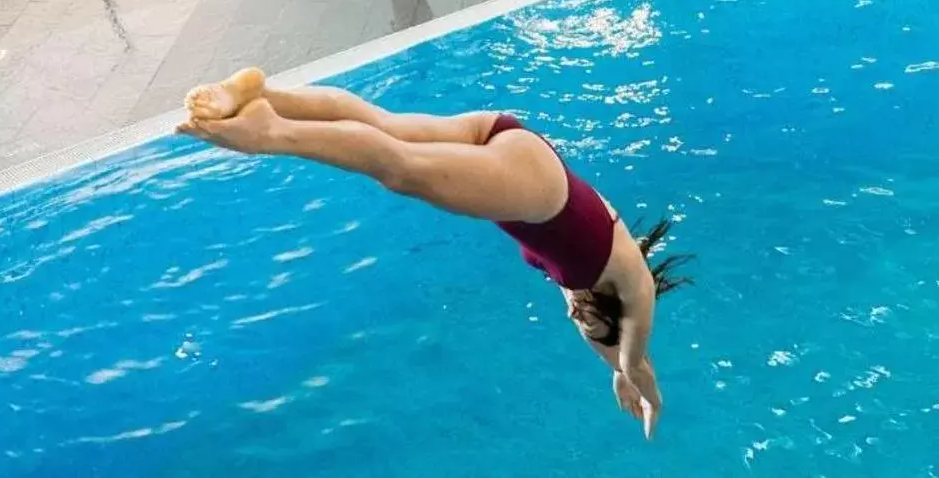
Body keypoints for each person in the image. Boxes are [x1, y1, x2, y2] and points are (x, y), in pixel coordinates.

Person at [177, 68, 686, 438]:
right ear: (606, 313)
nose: (576, 318)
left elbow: (624, 356)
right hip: (536, 188)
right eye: (587, 322)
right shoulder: (630, 284)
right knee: (400, 167)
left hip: (513, 139)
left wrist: (637, 389)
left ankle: (261, 94)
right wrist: (633, 384)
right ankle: (271, 130)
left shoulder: (592, 275)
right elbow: (633, 351)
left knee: (385, 125)